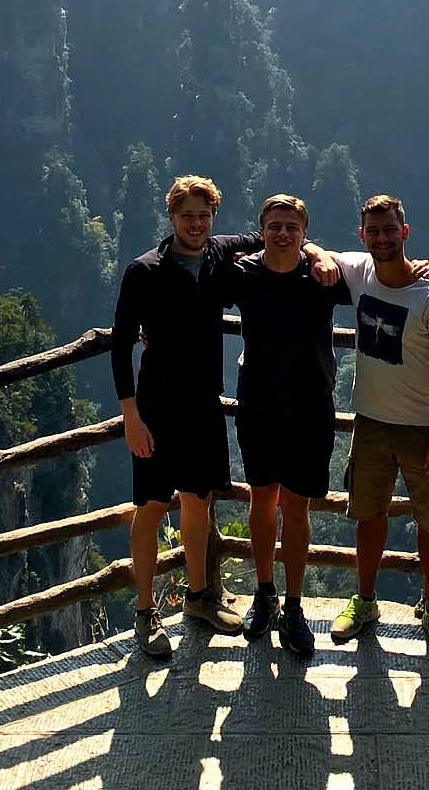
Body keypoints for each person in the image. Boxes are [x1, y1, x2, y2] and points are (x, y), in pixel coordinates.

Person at [111, 175, 335, 658]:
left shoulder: (217, 255)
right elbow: (120, 342)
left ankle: (198, 598)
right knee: (150, 506)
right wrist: (130, 415)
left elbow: (279, 233)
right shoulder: (144, 270)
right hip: (155, 407)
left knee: (196, 500)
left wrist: (316, 252)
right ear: (171, 217)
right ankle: (146, 610)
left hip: (204, 404)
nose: (195, 223)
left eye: (203, 216)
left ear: (212, 219)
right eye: (187, 215)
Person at [328, 194, 429, 655]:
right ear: (362, 235)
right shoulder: (360, 272)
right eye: (374, 231)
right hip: (370, 422)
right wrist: (314, 256)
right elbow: (310, 247)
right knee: (367, 516)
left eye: (390, 230)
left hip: (422, 427)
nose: (382, 238)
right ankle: (365, 601)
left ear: (404, 233)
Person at [215, 194, 351, 655]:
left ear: (304, 233)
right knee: (261, 501)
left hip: (310, 406)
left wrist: (321, 255)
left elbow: (377, 272)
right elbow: (192, 267)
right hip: (258, 406)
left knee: (297, 508)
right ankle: (265, 594)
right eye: (274, 226)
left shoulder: (323, 276)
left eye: (292, 227)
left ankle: (293, 607)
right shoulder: (242, 273)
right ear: (261, 229)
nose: (283, 234)